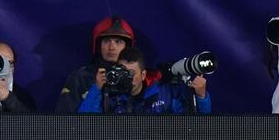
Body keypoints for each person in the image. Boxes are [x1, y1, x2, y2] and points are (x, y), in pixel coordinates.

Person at [78, 47, 211, 113]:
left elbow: (197, 129)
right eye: (123, 71)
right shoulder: (109, 96)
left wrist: (201, 97)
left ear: (143, 75)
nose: (128, 77)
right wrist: (97, 88)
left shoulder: (164, 94)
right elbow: (83, 127)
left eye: (131, 73)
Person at [55, 15, 135, 113]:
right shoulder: (80, 78)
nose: (112, 47)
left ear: (127, 46)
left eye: (118, 42)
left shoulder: (136, 77)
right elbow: (63, 122)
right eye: (106, 41)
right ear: (97, 45)